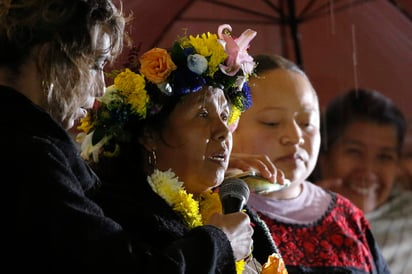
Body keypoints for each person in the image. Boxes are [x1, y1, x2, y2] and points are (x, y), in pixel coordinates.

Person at [76, 25, 287, 273]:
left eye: (224, 115)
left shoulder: (232, 210)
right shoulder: (119, 214)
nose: (223, 131)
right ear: (149, 135)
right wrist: (219, 245)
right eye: (203, 114)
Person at [228, 54, 390, 273]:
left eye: (307, 123)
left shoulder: (347, 217)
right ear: (228, 127)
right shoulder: (217, 210)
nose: (295, 137)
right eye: (272, 122)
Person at [313, 88, 412, 274]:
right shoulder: (286, 219)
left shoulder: (408, 217)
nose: (368, 172)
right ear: (322, 156)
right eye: (354, 152)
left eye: (384, 157)